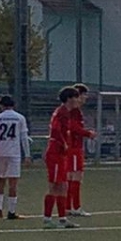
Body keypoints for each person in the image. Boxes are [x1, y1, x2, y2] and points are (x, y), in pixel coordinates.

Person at [43, 87, 85, 227]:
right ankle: (47, 219)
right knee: (54, 186)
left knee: (63, 185)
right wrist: (64, 143)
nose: (78, 100)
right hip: (55, 153)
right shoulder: (61, 113)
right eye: (76, 97)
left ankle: (62, 219)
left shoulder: (66, 112)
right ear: (69, 99)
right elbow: (55, 130)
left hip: (61, 154)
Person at [0, 94, 30, 220]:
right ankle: (11, 211)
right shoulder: (20, 118)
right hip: (14, 153)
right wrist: (27, 155)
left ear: (2, 106)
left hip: (1, 152)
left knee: (1, 181)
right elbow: (24, 137)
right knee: (13, 184)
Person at [67, 84, 91, 215]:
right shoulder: (74, 111)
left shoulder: (72, 110)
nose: (85, 98)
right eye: (84, 95)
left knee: (71, 176)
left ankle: (68, 207)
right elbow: (73, 127)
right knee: (76, 176)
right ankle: (75, 207)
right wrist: (88, 133)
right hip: (74, 147)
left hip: (71, 147)